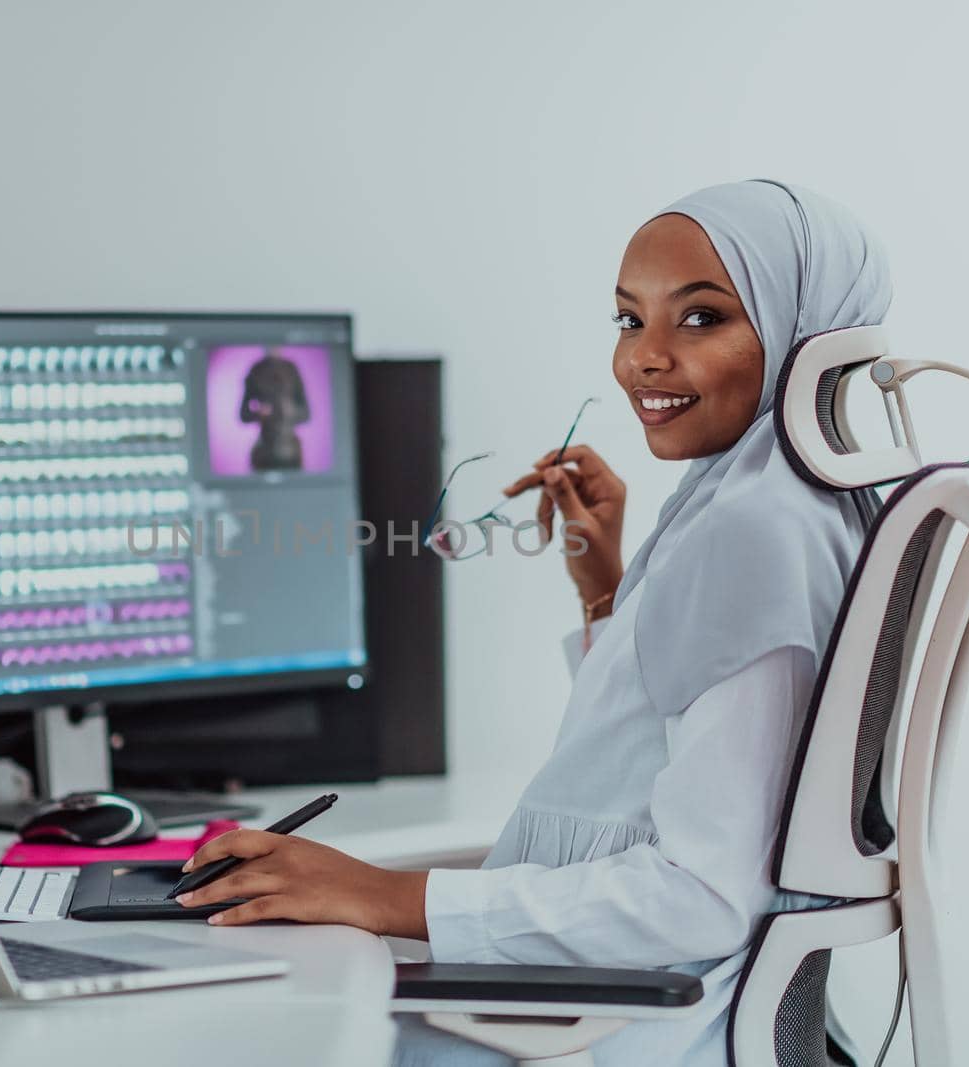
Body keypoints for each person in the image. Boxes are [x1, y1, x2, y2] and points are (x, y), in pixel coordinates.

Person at [175, 179, 891, 1064]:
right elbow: (675, 748)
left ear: (802, 329)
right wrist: (606, 588)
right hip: (637, 1002)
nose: (645, 359)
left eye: (700, 318)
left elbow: (701, 892)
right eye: (630, 320)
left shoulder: (755, 527)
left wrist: (382, 895)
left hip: (619, 1024)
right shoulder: (783, 499)